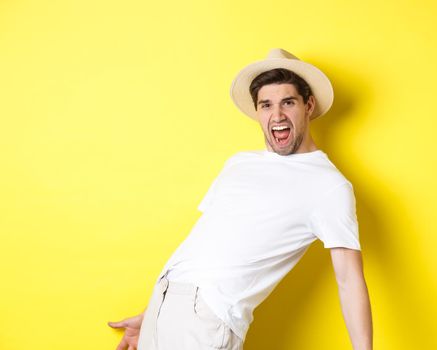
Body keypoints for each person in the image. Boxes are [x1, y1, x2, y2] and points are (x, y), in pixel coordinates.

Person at [108, 48, 373, 350]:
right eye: (266, 105)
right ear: (258, 111)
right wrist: (156, 314)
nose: (277, 116)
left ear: (308, 105)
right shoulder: (239, 163)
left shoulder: (328, 185)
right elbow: (207, 239)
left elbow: (349, 281)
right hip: (165, 302)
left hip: (208, 319)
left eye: (288, 102)